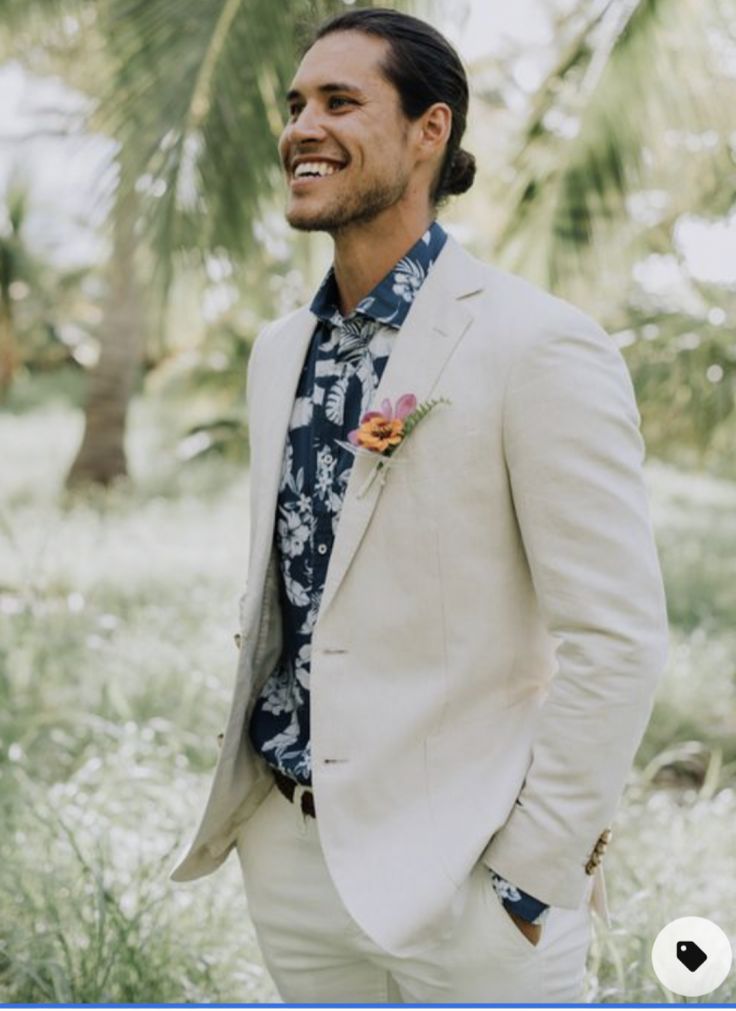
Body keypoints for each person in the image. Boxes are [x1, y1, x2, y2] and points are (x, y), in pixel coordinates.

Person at [171, 7, 669, 1003]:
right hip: (289, 853)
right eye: (297, 103)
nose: (302, 125)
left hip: (465, 885)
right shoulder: (279, 354)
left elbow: (616, 636)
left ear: (428, 131)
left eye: (340, 102)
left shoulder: (535, 344)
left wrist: (531, 873)